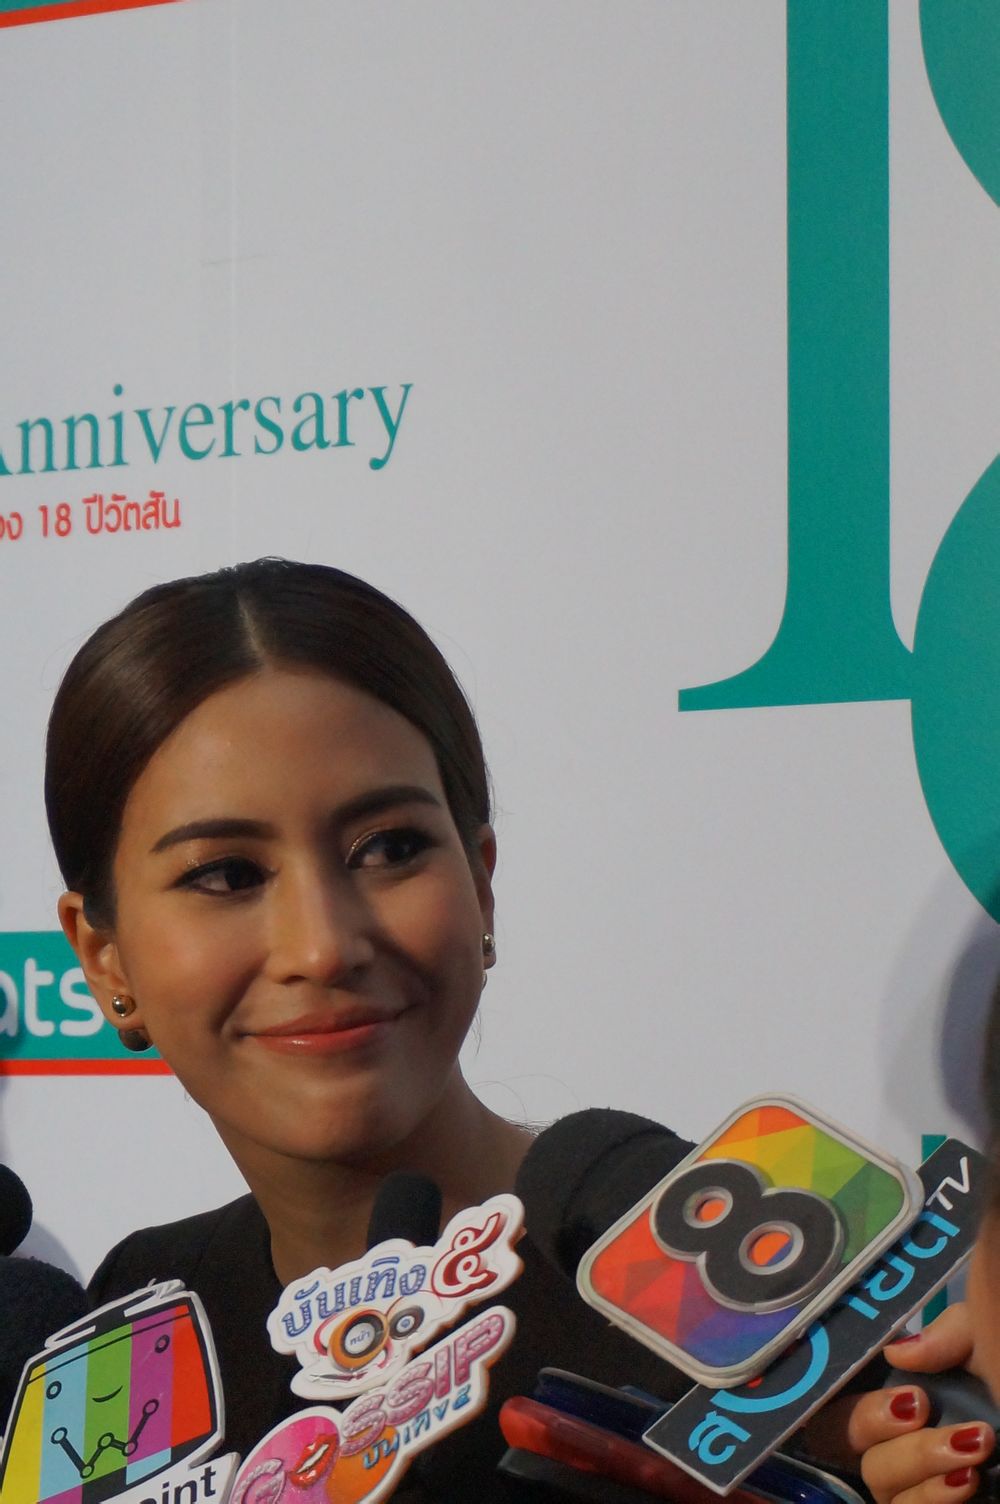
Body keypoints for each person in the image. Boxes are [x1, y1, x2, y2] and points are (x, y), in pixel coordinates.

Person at [45, 557, 701, 1502]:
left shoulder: (700, 1269)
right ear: (105, 958)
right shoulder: (137, 1316)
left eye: (389, 848)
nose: (322, 947)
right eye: (227, 875)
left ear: (480, 883)